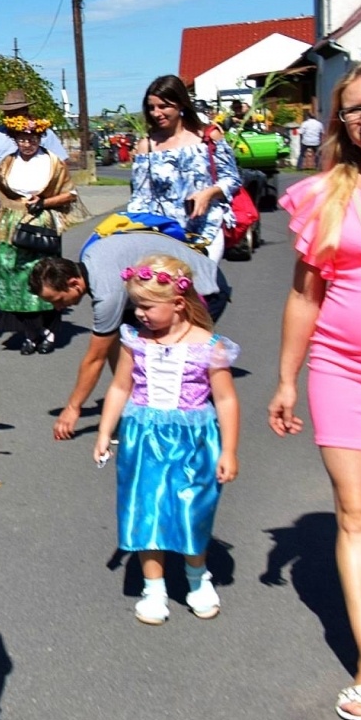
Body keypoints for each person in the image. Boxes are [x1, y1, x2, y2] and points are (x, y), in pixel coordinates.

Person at [267, 61, 361, 720]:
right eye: (356, 108)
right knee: (355, 513)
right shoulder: (325, 193)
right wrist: (286, 377)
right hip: (341, 367)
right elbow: (306, 296)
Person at [95, 256, 240, 625]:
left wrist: (230, 450)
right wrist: (104, 431)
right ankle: (154, 587)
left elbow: (225, 399)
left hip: (195, 438)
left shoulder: (209, 345)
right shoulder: (135, 342)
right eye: (135, 306)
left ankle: (197, 577)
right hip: (143, 436)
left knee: (193, 508)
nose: (139, 314)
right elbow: (119, 387)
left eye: (147, 306)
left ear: (178, 303)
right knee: (147, 508)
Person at [29, 233, 225, 441]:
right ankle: (138, 410)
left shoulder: (107, 293)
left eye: (58, 300)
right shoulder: (90, 259)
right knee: (135, 346)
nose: (57, 308)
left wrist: (73, 408)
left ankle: (203, 423)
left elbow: (95, 358)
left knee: (174, 360)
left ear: (74, 283)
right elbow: (119, 345)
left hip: (203, 286)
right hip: (158, 292)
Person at [125, 74, 240, 262]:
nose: (156, 113)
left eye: (163, 106)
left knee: (202, 283)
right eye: (151, 107)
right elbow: (141, 196)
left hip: (205, 228)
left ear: (181, 104)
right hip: (163, 232)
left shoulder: (208, 136)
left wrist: (208, 194)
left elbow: (231, 179)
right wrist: (132, 227)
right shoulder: (147, 145)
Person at [0, 116, 79, 355]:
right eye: (22, 139)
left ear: (39, 138)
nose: (27, 143)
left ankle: (49, 332)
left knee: (47, 276)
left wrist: (45, 202)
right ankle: (29, 334)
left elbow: (71, 194)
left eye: (31, 139)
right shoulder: (7, 163)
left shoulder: (52, 162)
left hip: (42, 222)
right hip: (12, 223)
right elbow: (0, 196)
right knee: (13, 276)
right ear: (15, 140)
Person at [0, 88, 68, 166]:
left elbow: (60, 161)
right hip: (1, 180)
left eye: (16, 112)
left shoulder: (43, 132)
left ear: (25, 111)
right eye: (8, 112)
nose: (12, 116)